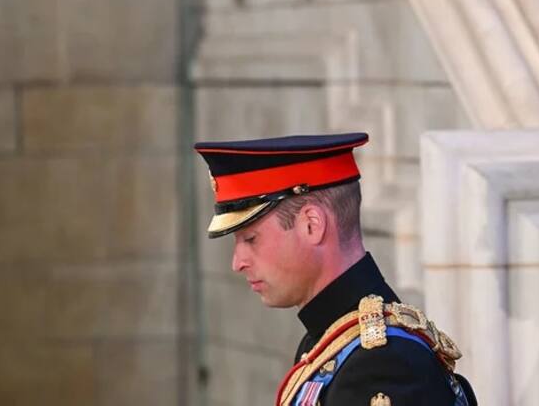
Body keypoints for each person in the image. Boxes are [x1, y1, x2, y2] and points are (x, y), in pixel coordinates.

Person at [194, 133, 476, 406]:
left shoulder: (381, 365)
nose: (237, 262)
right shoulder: (333, 341)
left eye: (250, 239)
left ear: (312, 225)